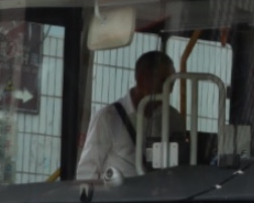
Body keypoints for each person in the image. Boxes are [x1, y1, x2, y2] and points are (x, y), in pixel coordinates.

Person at [77, 50, 185, 180]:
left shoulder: (173, 119)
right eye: (162, 82)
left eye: (171, 84)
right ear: (141, 79)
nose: (168, 91)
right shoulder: (108, 118)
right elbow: (86, 173)